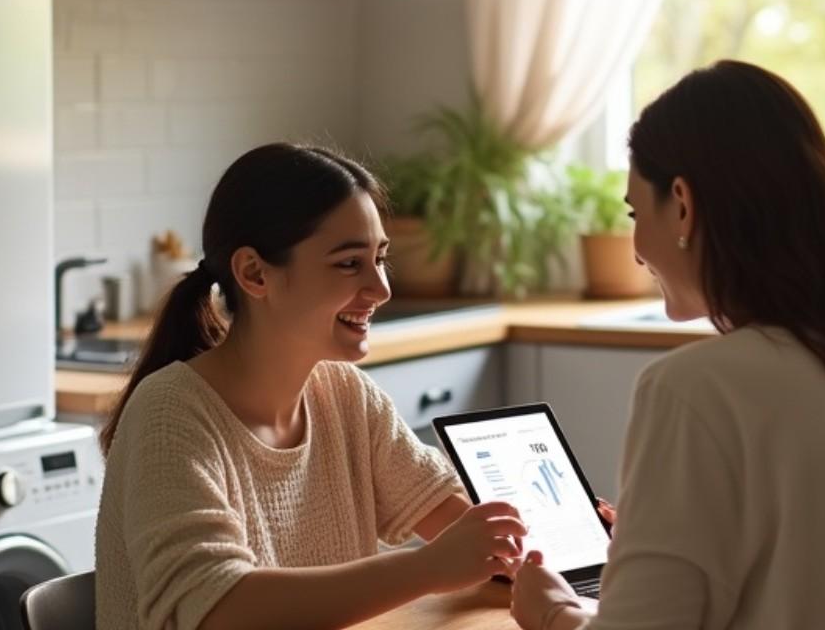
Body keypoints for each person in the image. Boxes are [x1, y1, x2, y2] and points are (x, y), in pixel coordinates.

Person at [510, 61, 825, 630]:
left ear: (682, 203)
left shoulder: (692, 389)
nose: (634, 249)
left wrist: (553, 612)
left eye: (635, 212)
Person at [94, 143, 528, 630]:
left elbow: (455, 518)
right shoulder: (170, 414)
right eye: (349, 263)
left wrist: (541, 533)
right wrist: (428, 568)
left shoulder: (345, 395)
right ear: (254, 273)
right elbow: (216, 610)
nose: (381, 288)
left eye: (380, 258)